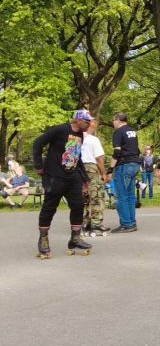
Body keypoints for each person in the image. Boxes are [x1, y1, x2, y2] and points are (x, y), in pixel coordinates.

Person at [32, 110, 94, 258]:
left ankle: (75, 238)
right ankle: (44, 239)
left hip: (72, 177)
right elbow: (37, 143)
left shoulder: (80, 135)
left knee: (78, 205)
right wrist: (39, 166)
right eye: (87, 122)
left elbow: (77, 158)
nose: (89, 124)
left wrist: (86, 180)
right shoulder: (59, 130)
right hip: (55, 176)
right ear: (79, 120)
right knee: (49, 207)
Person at [111, 113, 141, 232]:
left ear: (118, 120)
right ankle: (132, 223)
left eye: (113, 120)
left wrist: (110, 168)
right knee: (130, 195)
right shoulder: (132, 131)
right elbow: (137, 149)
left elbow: (117, 152)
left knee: (121, 196)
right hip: (135, 164)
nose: (113, 123)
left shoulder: (119, 132)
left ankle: (127, 224)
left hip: (124, 165)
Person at [81, 121, 109, 235]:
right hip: (92, 168)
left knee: (84, 197)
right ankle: (96, 223)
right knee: (96, 196)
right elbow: (99, 159)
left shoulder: (75, 139)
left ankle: (84, 222)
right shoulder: (93, 139)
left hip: (79, 169)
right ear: (92, 127)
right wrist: (103, 173)